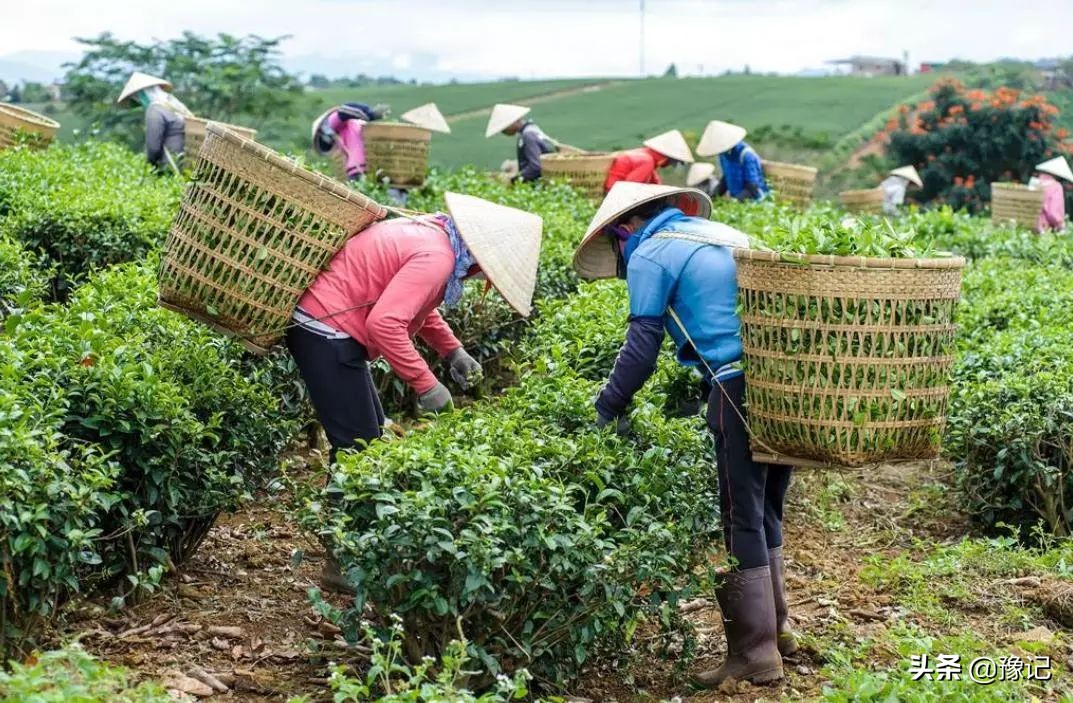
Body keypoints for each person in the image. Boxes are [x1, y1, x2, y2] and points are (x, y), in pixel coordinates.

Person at [573, 182, 794, 688]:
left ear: (623, 231)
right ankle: (780, 629)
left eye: (616, 247)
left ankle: (754, 654)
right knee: (766, 507)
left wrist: (606, 408)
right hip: (787, 383)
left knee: (740, 514)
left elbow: (641, 346)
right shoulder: (720, 233)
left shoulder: (652, 250)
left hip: (736, 387)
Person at [116, 72, 193, 171]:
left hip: (171, 166)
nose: (138, 101)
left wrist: (150, 165)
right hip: (187, 162)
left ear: (144, 94)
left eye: (137, 97)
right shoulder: (174, 103)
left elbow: (153, 147)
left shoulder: (155, 109)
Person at [311, 102, 391, 181]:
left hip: (368, 167)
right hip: (359, 169)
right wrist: (371, 114)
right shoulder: (334, 124)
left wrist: (369, 114)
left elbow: (345, 110)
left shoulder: (345, 125)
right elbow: (344, 111)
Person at [697, 120, 768, 201]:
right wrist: (712, 197)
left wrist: (734, 202)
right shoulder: (723, 155)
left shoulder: (746, 155)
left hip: (753, 200)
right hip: (736, 199)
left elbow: (752, 187)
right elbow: (726, 178)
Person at [485, 103, 558, 182]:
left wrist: (513, 180)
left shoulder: (528, 135)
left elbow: (536, 166)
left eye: (504, 127)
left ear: (513, 121)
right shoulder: (533, 129)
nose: (503, 131)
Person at [603, 130, 694, 192]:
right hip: (612, 194)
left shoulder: (645, 156)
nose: (670, 165)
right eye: (671, 162)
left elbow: (656, 183)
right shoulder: (647, 161)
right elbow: (629, 188)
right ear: (665, 158)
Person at [1031, 156, 1073, 233]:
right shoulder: (1056, 186)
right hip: (1045, 228)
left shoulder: (1033, 183)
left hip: (1029, 225)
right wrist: (1061, 225)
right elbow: (1053, 213)